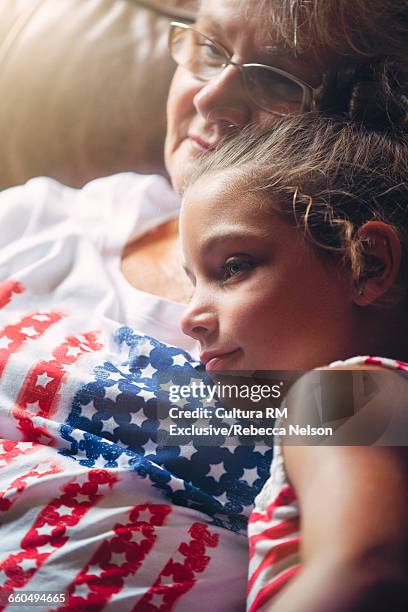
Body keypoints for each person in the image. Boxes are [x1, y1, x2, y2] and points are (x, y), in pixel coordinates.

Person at [0, 0, 407, 608]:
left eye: (277, 78)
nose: (210, 97)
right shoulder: (35, 222)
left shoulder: (342, 382)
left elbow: (365, 565)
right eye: (210, 49)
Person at [179, 114, 408, 611]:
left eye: (233, 268)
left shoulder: (340, 391)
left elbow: (363, 568)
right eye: (191, 280)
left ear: (365, 263)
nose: (189, 317)